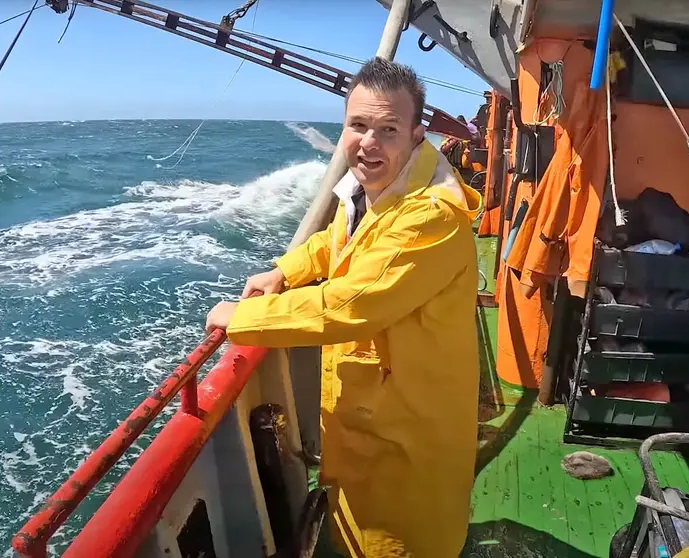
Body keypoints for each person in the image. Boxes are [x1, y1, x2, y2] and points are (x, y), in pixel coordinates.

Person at [206, 57, 482, 557]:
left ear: (417, 135)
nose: (369, 142)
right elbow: (337, 241)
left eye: (388, 129)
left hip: (407, 435)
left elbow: (349, 305)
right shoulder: (370, 189)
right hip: (368, 421)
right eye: (358, 125)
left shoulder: (428, 217)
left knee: (401, 541)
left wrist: (241, 318)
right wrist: (284, 272)